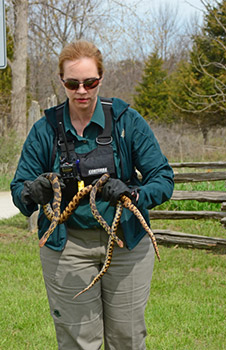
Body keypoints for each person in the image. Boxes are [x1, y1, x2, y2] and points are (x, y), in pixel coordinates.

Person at [11, 40, 174, 350]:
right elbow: (19, 189)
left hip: (126, 243)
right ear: (62, 81)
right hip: (68, 247)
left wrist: (134, 193)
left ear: (101, 77)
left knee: (126, 339)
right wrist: (34, 192)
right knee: (78, 342)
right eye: (72, 83)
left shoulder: (127, 121)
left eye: (90, 82)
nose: (82, 90)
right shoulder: (46, 130)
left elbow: (163, 177)